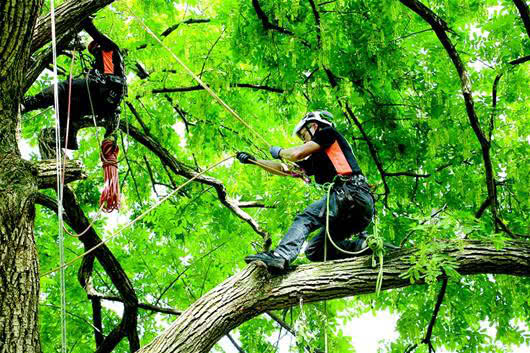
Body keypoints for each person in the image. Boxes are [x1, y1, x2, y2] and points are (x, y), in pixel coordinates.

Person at [237, 111, 374, 272]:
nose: (303, 141)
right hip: (357, 207)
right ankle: (362, 246)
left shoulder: (327, 133)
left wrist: (280, 151)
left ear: (314, 126)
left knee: (306, 217)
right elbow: (287, 170)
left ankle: (282, 255)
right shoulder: (317, 158)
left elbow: (296, 154)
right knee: (315, 251)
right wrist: (255, 161)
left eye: (304, 136)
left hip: (350, 192)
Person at [22, 18, 126, 157]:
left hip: (105, 90)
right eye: (92, 50)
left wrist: (84, 21)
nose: (94, 51)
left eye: (95, 48)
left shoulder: (110, 48)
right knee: (65, 104)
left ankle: (30, 103)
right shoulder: (99, 68)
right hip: (101, 104)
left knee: (64, 88)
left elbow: (95, 33)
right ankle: (68, 137)